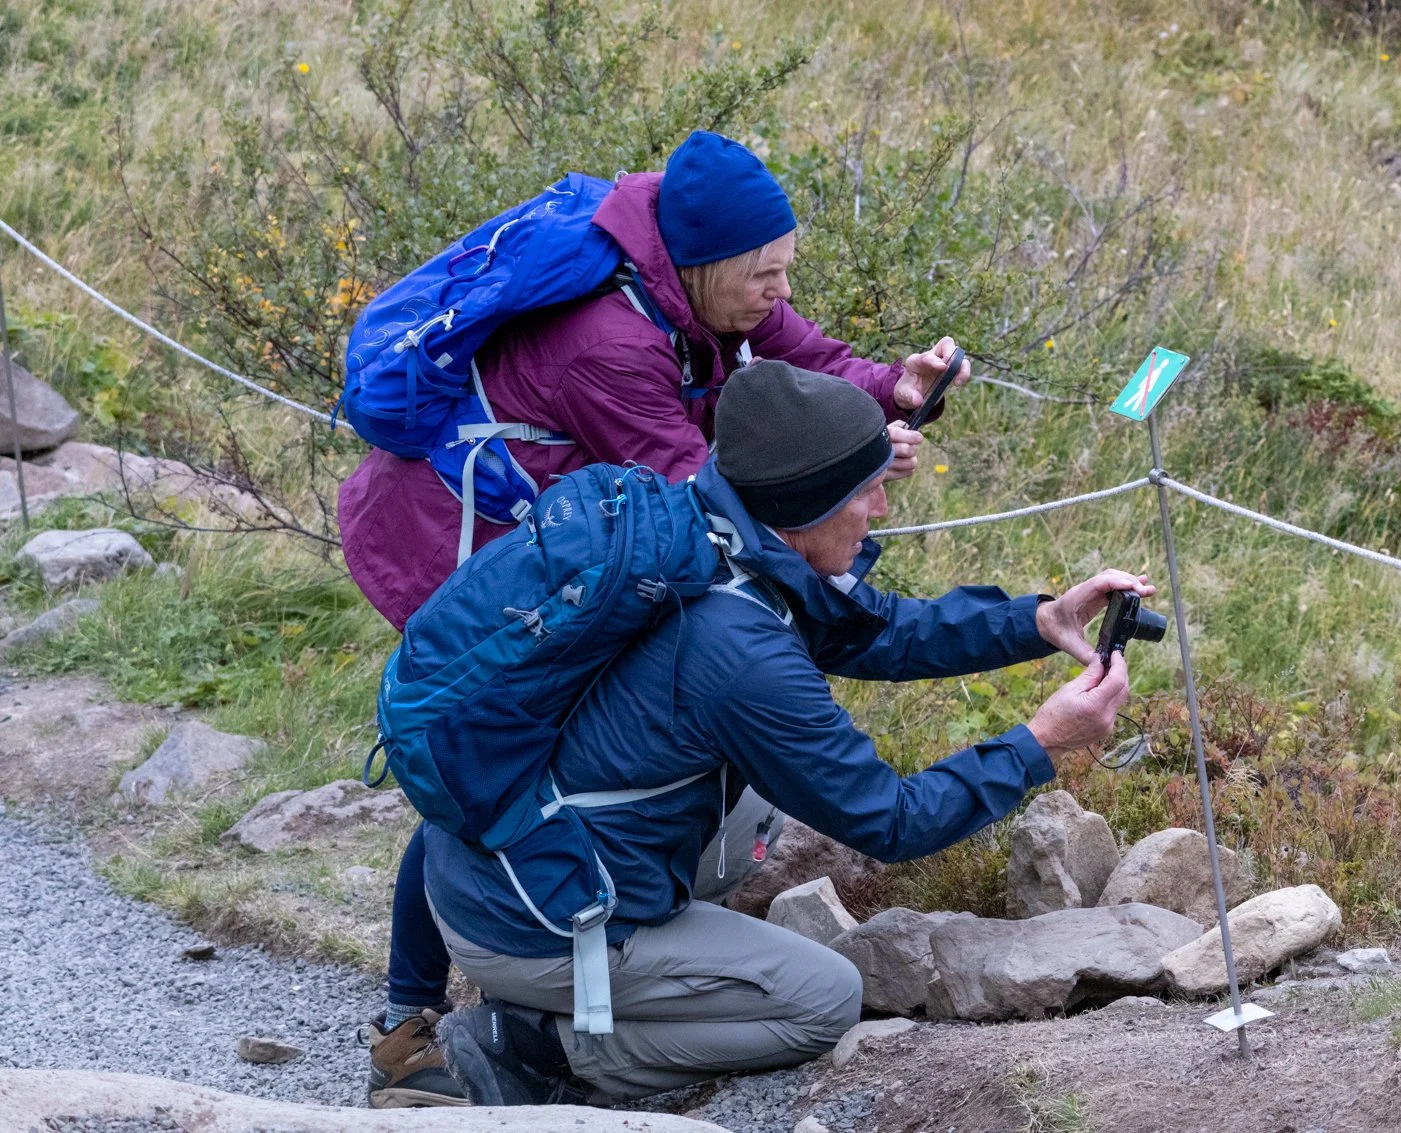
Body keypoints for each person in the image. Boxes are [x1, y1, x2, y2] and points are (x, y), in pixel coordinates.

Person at [354, 130, 971, 1108]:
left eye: (786, 270)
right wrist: (842, 488)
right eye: (763, 275)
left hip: (578, 547)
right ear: (707, 267)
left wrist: (882, 388)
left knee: (572, 748)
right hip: (460, 539)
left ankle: (576, 956)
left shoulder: (698, 268)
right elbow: (719, 499)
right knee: (473, 760)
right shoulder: (610, 342)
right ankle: (407, 1025)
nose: (778, 290)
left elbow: (789, 361)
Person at [421, 360, 1146, 1106]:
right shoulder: (741, 649)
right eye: (867, 489)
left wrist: (1035, 620)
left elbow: (882, 632)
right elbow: (890, 819)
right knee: (822, 998)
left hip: (500, 860)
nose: (882, 507)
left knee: (750, 817)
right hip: (533, 917)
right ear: (806, 506)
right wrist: (1040, 743)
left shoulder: (712, 539)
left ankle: (609, 981)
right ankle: (543, 1050)